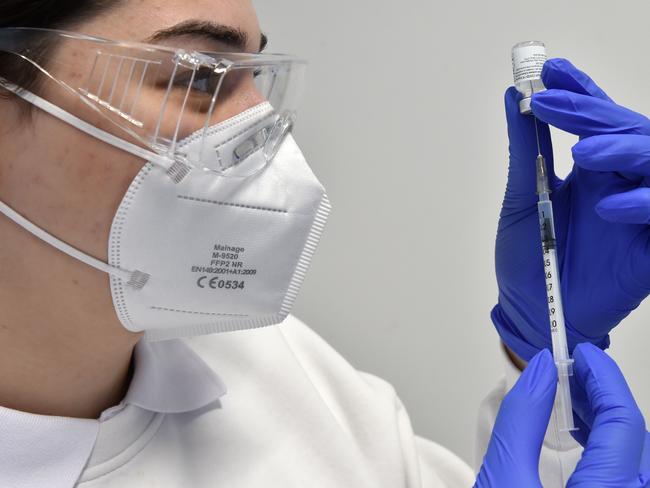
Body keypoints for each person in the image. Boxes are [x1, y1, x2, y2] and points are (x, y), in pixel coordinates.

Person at [0, 1, 649, 487]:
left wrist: (544, 352)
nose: (264, 132)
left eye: (256, 73)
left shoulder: (274, 368)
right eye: (200, 75)